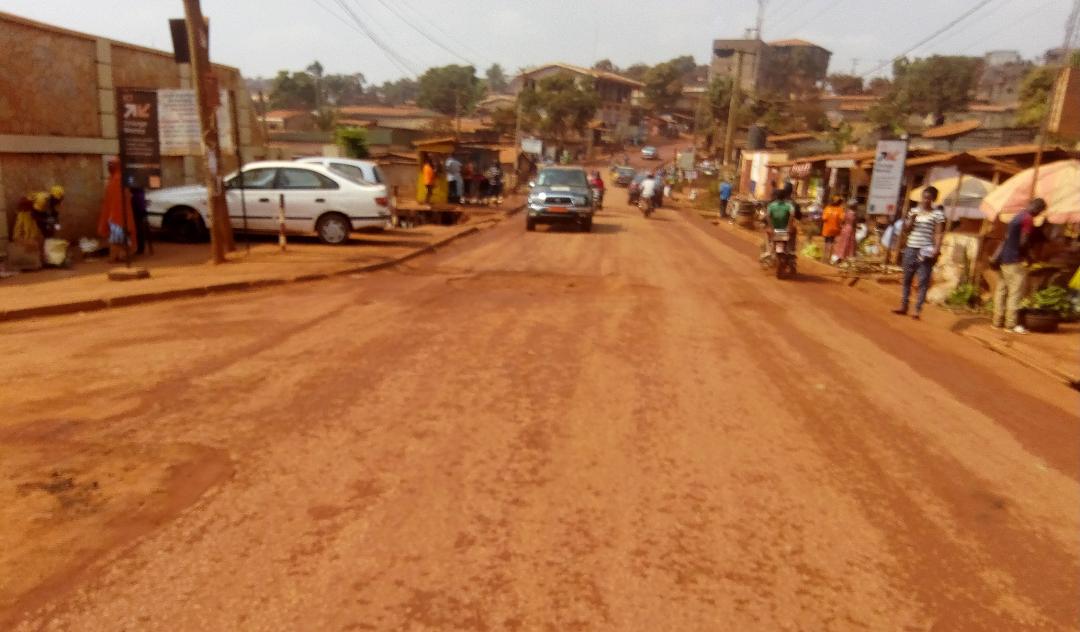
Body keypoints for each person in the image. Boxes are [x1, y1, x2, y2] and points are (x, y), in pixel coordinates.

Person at [992, 198, 1048, 334]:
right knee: (1015, 293)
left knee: (1001, 291)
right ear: (1038, 209)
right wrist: (1028, 257)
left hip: (1004, 260)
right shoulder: (1028, 219)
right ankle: (1010, 325)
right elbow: (1023, 242)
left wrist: (996, 256)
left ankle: (997, 322)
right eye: (1039, 211)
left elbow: (1006, 239)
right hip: (1015, 260)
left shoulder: (1017, 216)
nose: (1038, 214)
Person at [893, 186, 946, 320]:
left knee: (923, 280)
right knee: (907, 278)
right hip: (911, 247)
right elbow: (906, 229)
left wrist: (937, 248)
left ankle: (917, 309)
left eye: (928, 198)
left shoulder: (937, 214)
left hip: (925, 250)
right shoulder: (914, 211)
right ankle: (904, 305)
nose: (925, 200)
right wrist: (911, 220)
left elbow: (939, 233)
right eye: (924, 197)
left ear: (933, 199)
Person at [96, 157, 137, 263]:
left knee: (118, 238)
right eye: (108, 164)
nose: (109, 167)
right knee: (119, 237)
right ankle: (120, 256)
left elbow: (123, 198)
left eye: (111, 164)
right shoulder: (113, 179)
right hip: (115, 214)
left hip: (118, 215)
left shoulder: (119, 179)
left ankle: (116, 257)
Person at [765, 187, 796, 257]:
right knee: (794, 231)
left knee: (767, 233)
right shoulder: (789, 205)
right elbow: (792, 215)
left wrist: (771, 227)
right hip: (785, 230)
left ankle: (768, 251)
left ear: (776, 196)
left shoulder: (771, 205)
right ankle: (791, 249)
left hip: (774, 230)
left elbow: (767, 216)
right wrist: (789, 226)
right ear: (785, 197)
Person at [833, 199, 859, 264]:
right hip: (851, 230)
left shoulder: (846, 212)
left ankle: (840, 258)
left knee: (842, 243)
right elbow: (854, 223)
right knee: (849, 244)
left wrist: (842, 227)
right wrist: (857, 227)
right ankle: (846, 258)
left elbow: (842, 221)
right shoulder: (855, 214)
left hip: (844, 229)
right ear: (854, 206)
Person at [820, 195, 844, 263]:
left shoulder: (827, 208)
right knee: (832, 243)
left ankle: (824, 258)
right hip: (835, 229)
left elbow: (824, 218)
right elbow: (842, 219)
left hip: (827, 229)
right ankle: (829, 258)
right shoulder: (840, 209)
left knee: (826, 243)